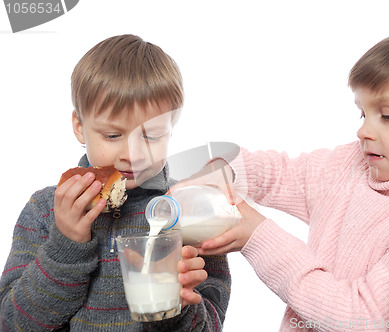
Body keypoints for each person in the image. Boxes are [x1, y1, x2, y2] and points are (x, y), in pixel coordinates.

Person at [172, 25, 389, 330]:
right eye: (362, 112)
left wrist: (257, 237)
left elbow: (360, 318)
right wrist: (227, 173)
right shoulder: (353, 165)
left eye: (387, 116)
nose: (364, 130)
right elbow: (282, 174)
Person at [0, 35, 231, 331]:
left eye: (152, 136)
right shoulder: (45, 210)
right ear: (80, 127)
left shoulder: (192, 208)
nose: (132, 155)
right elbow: (11, 323)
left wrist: (176, 311)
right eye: (112, 136)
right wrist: (66, 246)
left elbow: (212, 323)